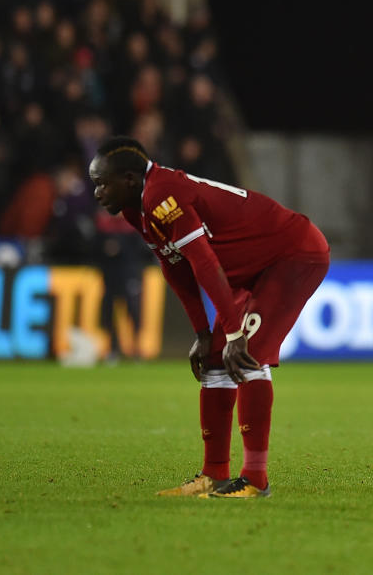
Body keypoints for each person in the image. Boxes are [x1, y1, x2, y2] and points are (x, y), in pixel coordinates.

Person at [89, 136, 329, 498]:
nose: (97, 192)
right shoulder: (135, 208)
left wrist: (234, 333)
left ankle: (255, 479)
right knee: (215, 362)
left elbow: (203, 261)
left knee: (247, 356)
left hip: (291, 255)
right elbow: (176, 268)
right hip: (250, 269)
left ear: (128, 180)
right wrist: (203, 332)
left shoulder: (161, 196)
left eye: (103, 183)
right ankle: (214, 474)